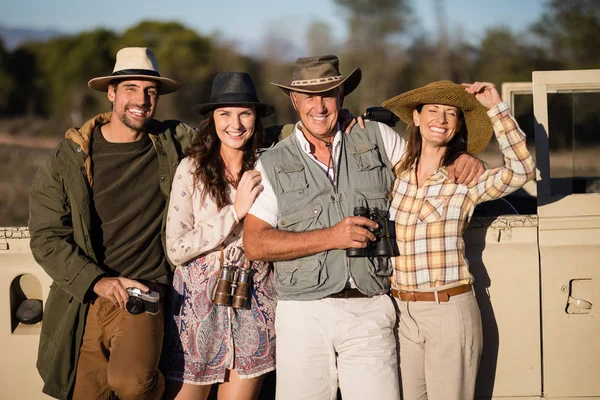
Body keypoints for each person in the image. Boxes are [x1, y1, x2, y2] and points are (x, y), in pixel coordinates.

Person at [242, 55, 484, 400]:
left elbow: (428, 169)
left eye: (328, 94)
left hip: (371, 307)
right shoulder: (272, 161)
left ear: (342, 96)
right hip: (302, 314)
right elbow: (256, 244)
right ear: (294, 100)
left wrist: (461, 155)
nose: (319, 106)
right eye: (309, 96)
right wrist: (331, 237)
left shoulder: (378, 137)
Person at [28, 47, 199, 400]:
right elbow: (46, 237)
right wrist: (98, 281)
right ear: (112, 93)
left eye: (150, 91)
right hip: (87, 295)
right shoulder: (67, 160)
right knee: (84, 391)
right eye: (131, 89)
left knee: (132, 384)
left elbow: (233, 136)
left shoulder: (172, 143)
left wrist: (300, 127)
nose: (142, 100)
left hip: (145, 291)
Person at [382, 80, 535, 400]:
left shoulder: (464, 179)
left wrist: (495, 107)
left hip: (447, 310)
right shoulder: (398, 175)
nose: (442, 119)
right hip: (402, 315)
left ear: (458, 126)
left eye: (451, 114)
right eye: (434, 111)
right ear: (417, 118)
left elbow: (521, 171)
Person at [161, 72, 276, 400]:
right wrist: (234, 212)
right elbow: (176, 248)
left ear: (256, 117)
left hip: (255, 308)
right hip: (197, 316)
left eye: (245, 113)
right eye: (225, 113)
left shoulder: (269, 167)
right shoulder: (191, 170)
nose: (235, 123)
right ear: (212, 119)